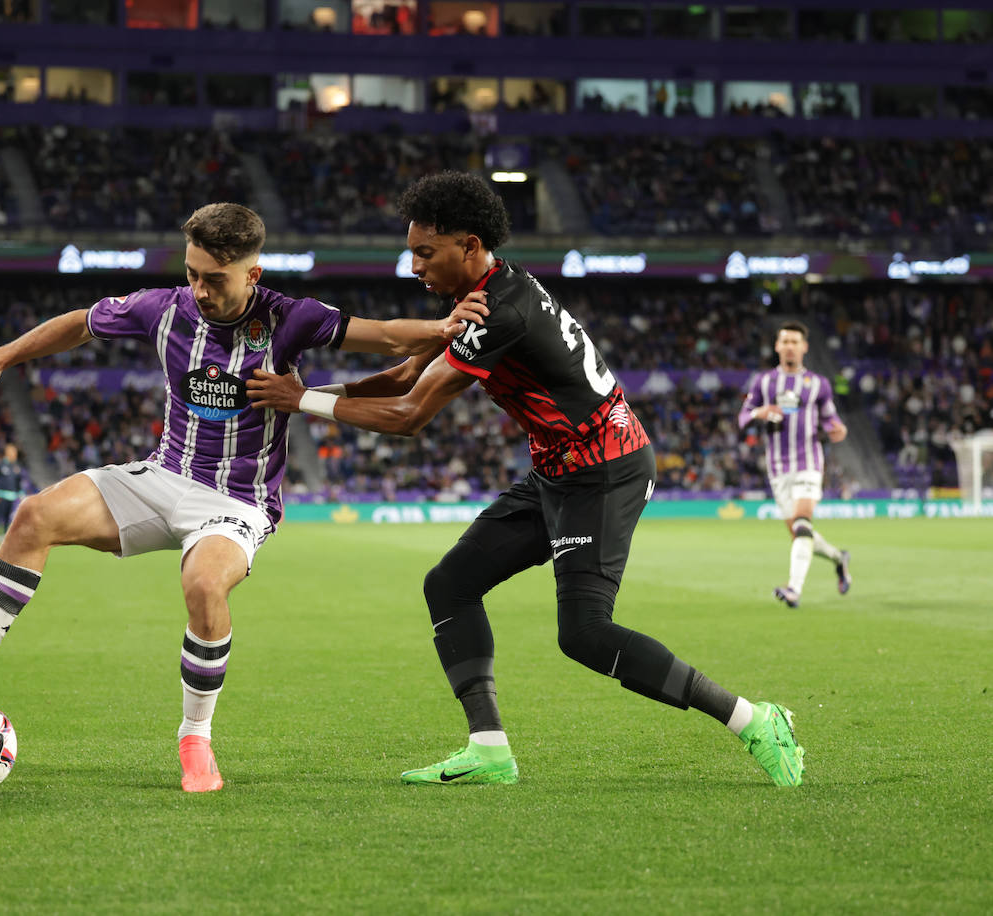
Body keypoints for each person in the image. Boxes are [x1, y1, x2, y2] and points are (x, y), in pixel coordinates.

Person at [0, 202, 480, 793]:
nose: (198, 289)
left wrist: (442, 327)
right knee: (35, 514)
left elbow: (378, 337)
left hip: (238, 501)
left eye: (213, 279)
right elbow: (79, 322)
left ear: (252, 274)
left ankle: (195, 738)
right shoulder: (162, 307)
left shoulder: (289, 317)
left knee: (203, 585)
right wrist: (3, 356)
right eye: (192, 273)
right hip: (163, 475)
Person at [247, 172, 806, 788]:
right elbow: (406, 376)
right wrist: (302, 394)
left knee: (585, 633)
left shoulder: (502, 309)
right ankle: (489, 751)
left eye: (425, 253)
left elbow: (409, 416)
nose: (414, 267)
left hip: (604, 471)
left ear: (469, 244)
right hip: (557, 470)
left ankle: (755, 719)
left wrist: (302, 402)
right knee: (451, 585)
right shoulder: (489, 291)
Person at [738, 321, 851, 608]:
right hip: (777, 468)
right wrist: (760, 412)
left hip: (809, 463)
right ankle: (839, 558)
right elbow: (743, 418)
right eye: (784, 341)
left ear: (804, 347)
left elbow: (831, 420)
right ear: (777, 346)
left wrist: (838, 429)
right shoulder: (764, 382)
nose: (789, 346)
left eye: (794, 341)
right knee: (801, 533)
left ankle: (794, 589)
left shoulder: (818, 385)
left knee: (802, 523)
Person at [0, 443, 26, 540]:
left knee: (8, 516)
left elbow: (18, 482)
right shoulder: (0, 464)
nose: (14, 454)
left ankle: (5, 534)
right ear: (7, 452)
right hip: (1, 494)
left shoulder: (16, 466)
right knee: (0, 514)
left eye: (15, 452)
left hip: (12, 495)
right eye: (12, 451)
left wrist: (21, 493)